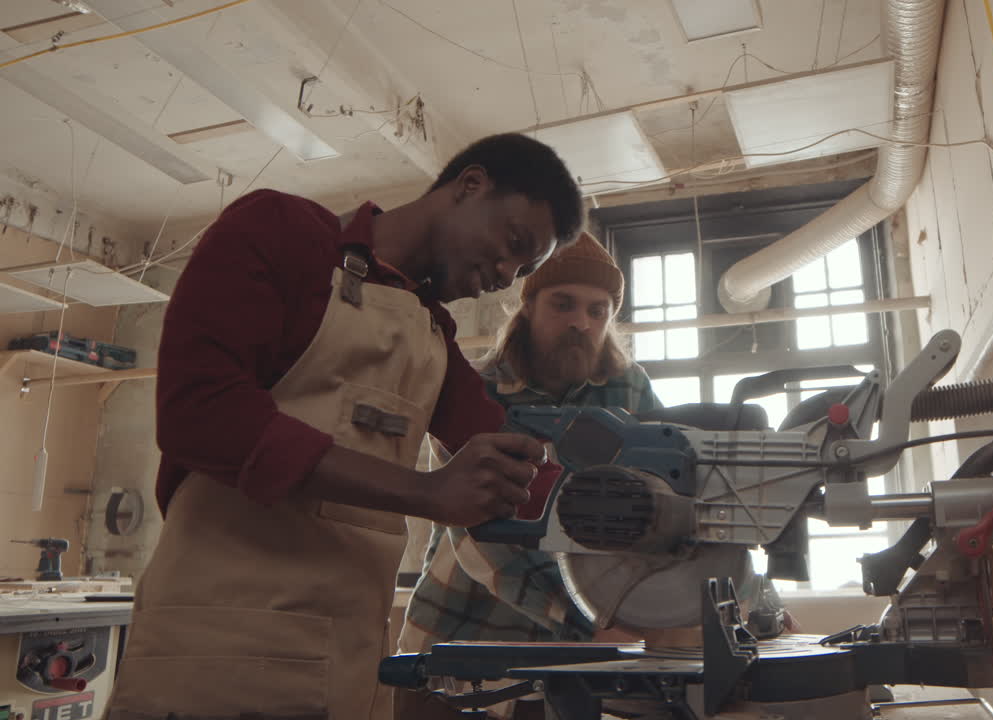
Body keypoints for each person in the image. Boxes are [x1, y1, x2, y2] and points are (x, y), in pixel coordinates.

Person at [105, 134, 583, 720]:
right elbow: (201, 413)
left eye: (525, 268)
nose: (508, 274)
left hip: (350, 672)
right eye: (513, 244)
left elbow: (526, 464)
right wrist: (427, 493)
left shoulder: (431, 334)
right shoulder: (281, 233)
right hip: (217, 656)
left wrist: (656, 503)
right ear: (471, 185)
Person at [400, 231, 660, 659]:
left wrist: (750, 600)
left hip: (597, 638)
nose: (582, 322)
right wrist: (586, 624)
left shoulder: (631, 391)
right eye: (563, 304)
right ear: (528, 306)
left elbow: (679, 496)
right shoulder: (477, 394)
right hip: (465, 634)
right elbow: (483, 534)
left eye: (598, 310)